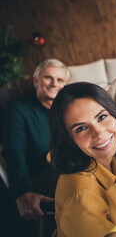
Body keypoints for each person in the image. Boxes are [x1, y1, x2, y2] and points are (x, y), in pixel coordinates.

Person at [49, 82, 116, 237]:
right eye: (81, 128)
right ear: (69, 140)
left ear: (114, 114)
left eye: (102, 117)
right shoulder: (82, 194)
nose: (99, 133)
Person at [2, 59, 69, 236]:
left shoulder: (65, 107)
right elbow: (13, 151)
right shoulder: (17, 110)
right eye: (49, 78)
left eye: (60, 80)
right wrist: (22, 192)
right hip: (43, 175)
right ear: (36, 81)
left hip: (69, 165)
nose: (55, 84)